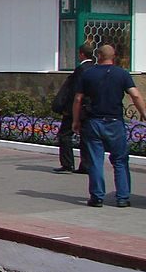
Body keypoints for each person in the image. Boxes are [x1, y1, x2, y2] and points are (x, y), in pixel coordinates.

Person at [73, 44, 146, 207]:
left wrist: (75, 121)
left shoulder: (88, 74)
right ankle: (122, 197)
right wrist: (143, 112)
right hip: (114, 122)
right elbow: (135, 95)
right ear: (113, 56)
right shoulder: (122, 74)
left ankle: (97, 197)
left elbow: (78, 99)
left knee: (95, 160)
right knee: (120, 160)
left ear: (98, 56)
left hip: (93, 121)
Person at [53, 43, 95, 173]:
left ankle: (67, 164)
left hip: (76, 108)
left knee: (65, 135)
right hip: (89, 108)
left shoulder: (80, 70)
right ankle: (86, 165)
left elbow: (74, 92)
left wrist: (67, 108)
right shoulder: (95, 69)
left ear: (81, 54)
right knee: (85, 137)